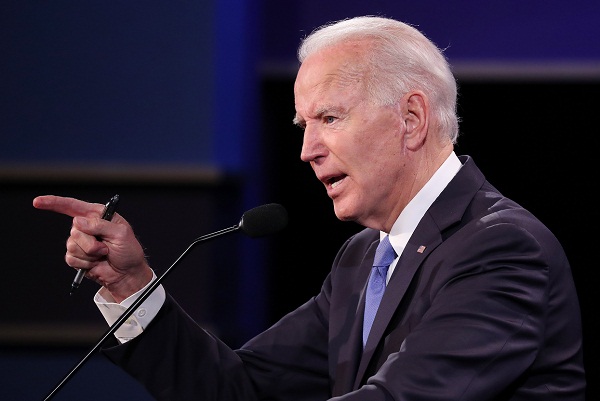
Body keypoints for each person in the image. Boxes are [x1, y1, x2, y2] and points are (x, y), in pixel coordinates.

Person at [33, 15, 585, 400]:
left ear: (412, 118)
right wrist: (133, 287)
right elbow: (239, 389)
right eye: (303, 126)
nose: (306, 150)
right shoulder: (362, 259)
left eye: (330, 118)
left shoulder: (500, 247)